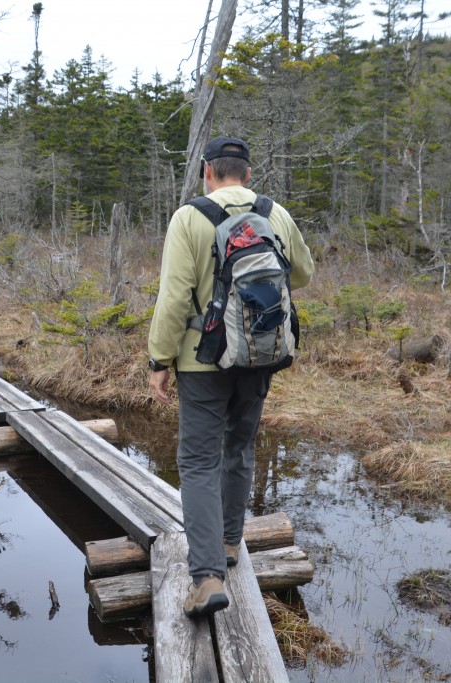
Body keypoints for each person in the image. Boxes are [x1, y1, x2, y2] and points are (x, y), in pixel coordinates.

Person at [147, 136, 315, 618]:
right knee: (239, 448)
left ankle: (205, 579)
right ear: (246, 171)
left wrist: (159, 360)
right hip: (260, 356)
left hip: (202, 360)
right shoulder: (274, 212)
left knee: (198, 462)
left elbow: (175, 297)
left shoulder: (189, 217)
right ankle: (227, 544)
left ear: (207, 171)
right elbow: (301, 273)